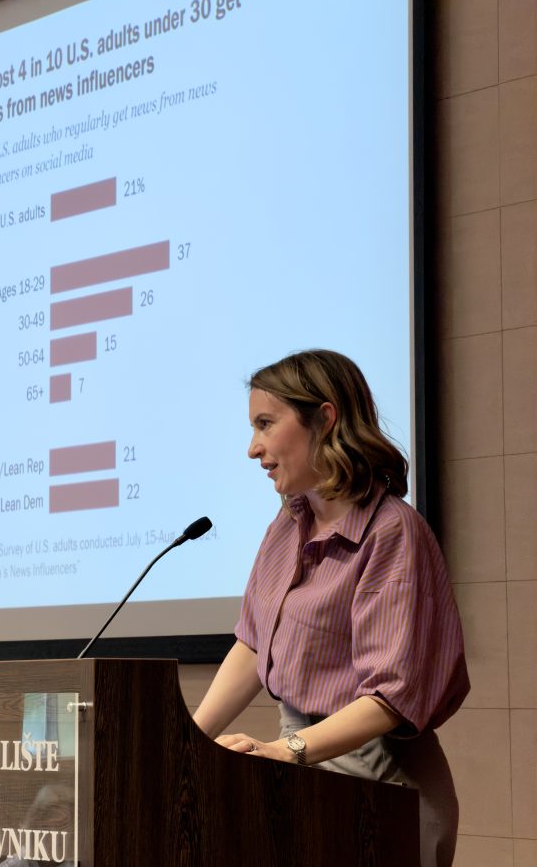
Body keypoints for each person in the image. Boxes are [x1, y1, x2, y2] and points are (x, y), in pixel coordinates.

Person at [193, 349, 469, 867]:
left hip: (380, 784)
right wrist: (188, 740)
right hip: (302, 771)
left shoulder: (392, 532)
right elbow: (253, 644)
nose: (253, 449)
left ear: (325, 419)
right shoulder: (287, 525)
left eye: (265, 424)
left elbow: (389, 698)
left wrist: (286, 751)